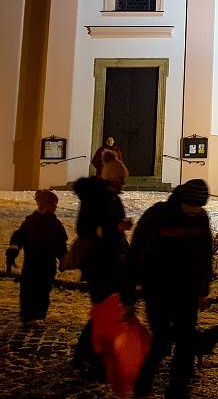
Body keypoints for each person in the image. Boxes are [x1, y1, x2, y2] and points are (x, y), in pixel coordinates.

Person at [122, 179, 213, 398]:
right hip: (158, 288)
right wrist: (129, 290)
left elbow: (204, 256)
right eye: (191, 206)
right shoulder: (158, 215)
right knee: (162, 339)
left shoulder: (200, 218)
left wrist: (202, 290)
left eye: (198, 207)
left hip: (187, 290)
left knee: (186, 341)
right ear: (182, 200)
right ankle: (143, 382)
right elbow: (136, 251)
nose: (194, 212)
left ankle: (177, 391)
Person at [72, 153, 131, 379]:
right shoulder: (95, 198)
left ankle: (88, 355)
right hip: (98, 263)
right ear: (111, 177)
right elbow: (85, 230)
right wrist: (114, 228)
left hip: (113, 261)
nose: (123, 182)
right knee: (104, 312)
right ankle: (92, 359)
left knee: (107, 312)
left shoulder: (113, 197)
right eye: (120, 178)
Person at [6, 190, 67, 323]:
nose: (55, 208)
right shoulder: (31, 221)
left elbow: (60, 244)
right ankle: (28, 316)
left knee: (43, 290)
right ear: (46, 205)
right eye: (54, 205)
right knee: (29, 289)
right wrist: (12, 252)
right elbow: (18, 238)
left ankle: (38, 315)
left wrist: (63, 259)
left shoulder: (54, 224)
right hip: (32, 264)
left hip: (46, 265)